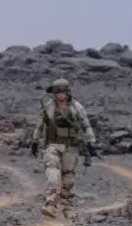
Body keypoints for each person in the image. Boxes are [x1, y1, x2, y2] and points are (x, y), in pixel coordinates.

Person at [31, 77, 97, 217]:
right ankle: (50, 204)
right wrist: (34, 141)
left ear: (67, 93)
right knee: (52, 171)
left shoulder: (76, 107)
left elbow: (86, 125)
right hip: (53, 144)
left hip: (70, 146)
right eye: (58, 92)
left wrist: (92, 142)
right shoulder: (48, 106)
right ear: (54, 93)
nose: (61, 95)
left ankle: (67, 206)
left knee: (68, 177)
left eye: (63, 92)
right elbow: (40, 125)